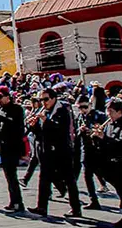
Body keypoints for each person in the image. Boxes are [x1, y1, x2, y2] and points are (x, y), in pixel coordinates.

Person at [28, 88, 82, 219]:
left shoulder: (62, 110)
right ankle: (42, 207)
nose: (43, 102)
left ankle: (76, 208)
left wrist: (47, 121)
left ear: (53, 98)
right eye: (41, 100)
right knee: (44, 177)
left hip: (62, 150)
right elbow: (41, 132)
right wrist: (33, 125)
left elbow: (61, 129)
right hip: (47, 150)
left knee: (69, 179)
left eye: (45, 99)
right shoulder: (45, 111)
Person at [0, 86, 25, 212]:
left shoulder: (16, 109)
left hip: (13, 145)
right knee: (8, 175)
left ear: (8, 97)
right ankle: (13, 200)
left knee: (12, 175)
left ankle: (18, 202)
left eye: (0, 97)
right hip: (4, 145)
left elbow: (14, 124)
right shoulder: (2, 110)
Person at [94, 98, 122, 228]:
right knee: (121, 191)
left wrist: (105, 138)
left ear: (119, 112)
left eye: (111, 111)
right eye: (107, 110)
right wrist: (97, 138)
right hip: (112, 163)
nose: (108, 114)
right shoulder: (109, 124)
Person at [74, 95, 106, 211]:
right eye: (80, 107)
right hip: (86, 149)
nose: (82, 110)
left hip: (98, 149)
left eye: (84, 107)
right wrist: (80, 131)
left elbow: (105, 132)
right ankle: (93, 200)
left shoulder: (99, 116)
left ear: (90, 105)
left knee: (106, 173)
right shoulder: (80, 117)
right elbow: (77, 134)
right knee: (87, 175)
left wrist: (92, 130)